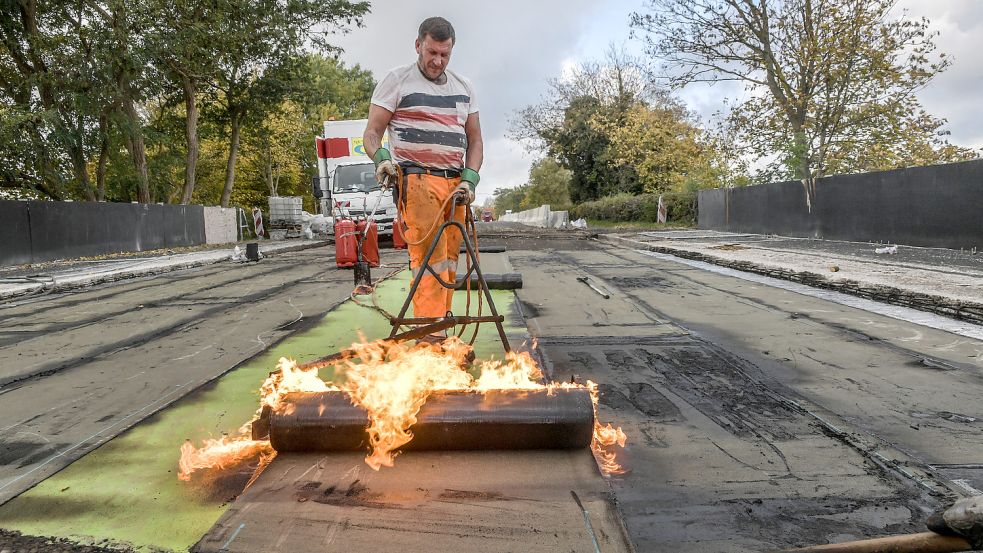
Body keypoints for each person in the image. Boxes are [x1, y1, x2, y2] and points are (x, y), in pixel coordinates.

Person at [363, 16, 483, 344]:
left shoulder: (464, 87)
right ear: (418, 45)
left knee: (449, 262)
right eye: (431, 52)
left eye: (444, 55)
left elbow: (475, 140)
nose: (437, 61)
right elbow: (372, 132)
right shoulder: (396, 81)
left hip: (455, 185)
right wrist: (383, 160)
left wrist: (469, 180)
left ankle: (438, 329)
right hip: (417, 181)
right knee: (430, 259)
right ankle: (430, 340)